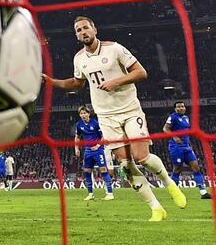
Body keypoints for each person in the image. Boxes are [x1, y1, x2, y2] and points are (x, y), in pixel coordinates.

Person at [42, 16, 186, 221]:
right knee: (126, 164)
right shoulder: (79, 59)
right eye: (78, 30)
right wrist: (52, 82)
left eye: (85, 28)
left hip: (129, 110)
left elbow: (141, 72)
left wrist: (116, 81)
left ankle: (169, 184)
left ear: (94, 29)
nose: (82, 32)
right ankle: (156, 208)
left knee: (141, 157)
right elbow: (77, 83)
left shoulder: (115, 48)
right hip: (106, 116)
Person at [163, 101, 212, 200]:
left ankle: (203, 193)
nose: (181, 108)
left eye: (182, 106)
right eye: (178, 107)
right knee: (177, 169)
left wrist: (189, 144)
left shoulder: (186, 118)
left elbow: (186, 133)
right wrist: (175, 137)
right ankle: (174, 193)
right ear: (175, 109)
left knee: (196, 167)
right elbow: (165, 128)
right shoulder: (173, 117)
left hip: (186, 147)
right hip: (176, 147)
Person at [74, 106, 114, 201]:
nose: (83, 115)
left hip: (98, 151)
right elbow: (77, 137)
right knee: (87, 172)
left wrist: (97, 146)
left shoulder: (96, 123)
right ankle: (90, 194)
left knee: (103, 170)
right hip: (87, 151)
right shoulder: (79, 125)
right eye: (81, 113)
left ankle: (110, 193)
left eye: (85, 113)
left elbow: (103, 136)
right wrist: (76, 148)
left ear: (89, 114)